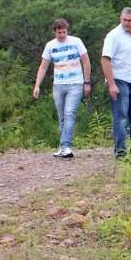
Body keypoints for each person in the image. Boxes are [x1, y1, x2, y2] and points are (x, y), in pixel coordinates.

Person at [33, 18, 91, 158]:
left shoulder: (76, 42)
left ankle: (66, 147)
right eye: (59, 32)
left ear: (67, 31)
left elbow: (86, 62)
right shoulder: (50, 46)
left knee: (70, 113)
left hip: (75, 83)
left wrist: (87, 82)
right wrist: (37, 85)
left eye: (64, 32)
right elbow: (43, 66)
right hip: (58, 84)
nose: (62, 35)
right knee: (62, 117)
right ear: (54, 32)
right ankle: (63, 146)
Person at [101, 7, 131, 158]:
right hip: (119, 79)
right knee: (121, 116)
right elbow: (105, 60)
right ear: (120, 18)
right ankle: (120, 151)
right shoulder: (113, 36)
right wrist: (112, 84)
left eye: (130, 21)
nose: (127, 23)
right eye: (124, 20)